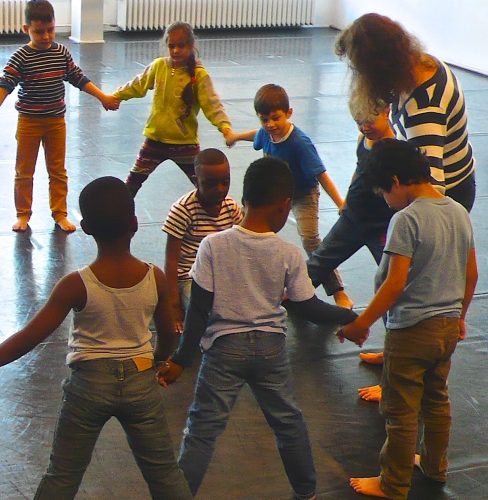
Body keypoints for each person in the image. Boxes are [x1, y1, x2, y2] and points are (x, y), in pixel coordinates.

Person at [0, 177, 193, 500]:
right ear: (135, 224)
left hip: (89, 388)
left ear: (85, 227)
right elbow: (168, 335)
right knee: (164, 472)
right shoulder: (154, 276)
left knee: (62, 475)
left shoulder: (75, 284)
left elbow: (31, 336)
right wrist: (161, 360)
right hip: (141, 381)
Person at [157, 157, 357, 499]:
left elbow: (199, 312)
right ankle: (306, 492)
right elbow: (309, 308)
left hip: (223, 350)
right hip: (270, 349)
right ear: (283, 207)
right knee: (288, 423)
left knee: (202, 430)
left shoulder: (212, 246)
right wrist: (352, 319)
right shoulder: (289, 252)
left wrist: (180, 360)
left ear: (243, 199)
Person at [337, 140, 477, 500]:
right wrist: (459, 316)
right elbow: (471, 273)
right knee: (436, 400)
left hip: (411, 331)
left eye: (384, 192)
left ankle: (393, 483)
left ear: (396, 181)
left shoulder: (406, 218)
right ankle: (434, 464)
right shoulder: (459, 211)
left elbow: (395, 283)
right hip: (446, 327)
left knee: (399, 411)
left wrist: (361, 323)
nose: (386, 200)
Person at [0, 0, 120, 233]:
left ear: (55, 25)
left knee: (58, 170)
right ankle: (23, 214)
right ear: (27, 30)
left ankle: (60, 213)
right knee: (24, 171)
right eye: (38, 32)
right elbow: (5, 85)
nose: (45, 36)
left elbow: (78, 78)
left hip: (56, 122)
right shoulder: (21, 57)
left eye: (50, 30)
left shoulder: (61, 52)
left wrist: (102, 96)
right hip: (29, 122)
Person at [226, 84, 352, 308]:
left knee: (311, 241)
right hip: (277, 195)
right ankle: (255, 282)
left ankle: (339, 293)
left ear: (289, 113)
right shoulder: (266, 133)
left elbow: (321, 174)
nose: (270, 125)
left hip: (303, 194)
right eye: (264, 120)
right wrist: (235, 136)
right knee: (251, 230)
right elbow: (257, 135)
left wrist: (341, 203)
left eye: (276, 118)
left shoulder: (299, 143)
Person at [335, 13, 477, 212]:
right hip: (453, 181)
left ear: (379, 68)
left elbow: (431, 193)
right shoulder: (422, 65)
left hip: (447, 198)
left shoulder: (423, 111)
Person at [304, 97, 397, 397]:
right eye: (359, 122)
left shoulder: (395, 148)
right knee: (317, 264)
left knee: (389, 287)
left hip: (381, 226)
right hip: (354, 218)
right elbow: (359, 170)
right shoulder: (364, 139)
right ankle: (270, 309)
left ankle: (394, 362)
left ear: (387, 112)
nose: (365, 127)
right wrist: (345, 199)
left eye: (370, 120)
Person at [113, 22, 234, 196]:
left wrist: (225, 128)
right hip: (155, 140)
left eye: (181, 46)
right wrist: (116, 96)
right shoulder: (159, 66)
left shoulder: (199, 76)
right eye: (171, 46)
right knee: (132, 183)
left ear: (191, 46)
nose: (176, 50)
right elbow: (138, 84)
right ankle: (118, 215)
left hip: (184, 143)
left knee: (205, 186)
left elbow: (212, 104)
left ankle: (219, 216)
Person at [162, 148, 241, 332]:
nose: (220, 189)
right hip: (190, 278)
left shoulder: (231, 207)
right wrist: (173, 307)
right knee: (204, 313)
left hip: (221, 273)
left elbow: (240, 247)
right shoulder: (182, 210)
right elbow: (171, 262)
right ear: (196, 182)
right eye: (211, 184)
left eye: (225, 182)